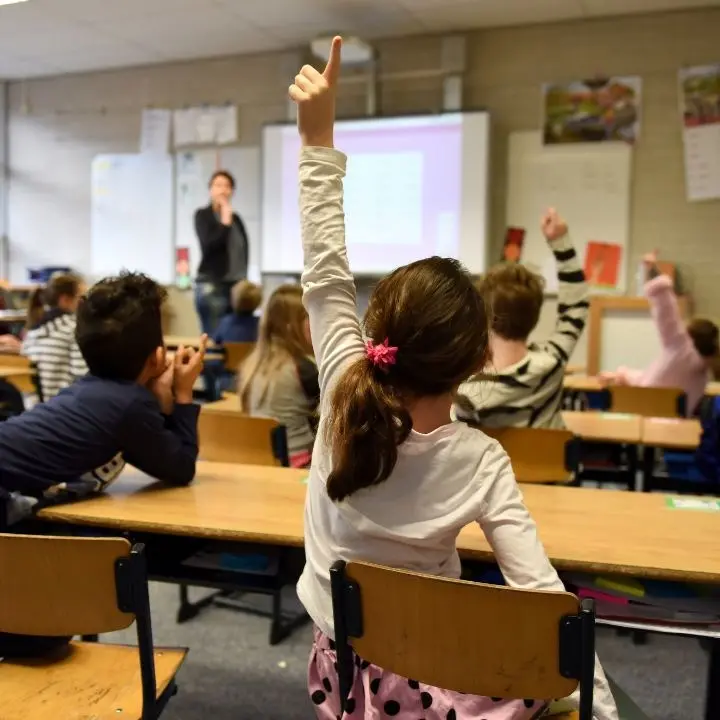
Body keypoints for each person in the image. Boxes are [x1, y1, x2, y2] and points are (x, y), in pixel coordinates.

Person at [288, 38, 618, 720]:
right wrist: (600, 707)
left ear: (376, 331)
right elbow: (542, 594)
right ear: (475, 362)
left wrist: (317, 139)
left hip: (341, 672)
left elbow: (324, 270)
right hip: (438, 674)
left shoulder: (341, 391)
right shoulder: (481, 460)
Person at [454, 209, 588, 429]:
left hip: (494, 465)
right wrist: (560, 241)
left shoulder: (468, 392)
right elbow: (576, 307)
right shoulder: (551, 365)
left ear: (485, 317)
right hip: (547, 464)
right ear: (534, 316)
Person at [599, 251, 718, 416]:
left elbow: (666, 309)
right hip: (678, 432)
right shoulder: (702, 376)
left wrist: (653, 270)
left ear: (690, 337)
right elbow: (653, 382)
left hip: (647, 423)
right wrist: (621, 375)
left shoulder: (681, 349)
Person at [238, 284, 318, 468]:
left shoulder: (252, 364)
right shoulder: (302, 368)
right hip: (299, 466)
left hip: (260, 462)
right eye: (310, 317)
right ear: (292, 326)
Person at [194, 170, 250, 336]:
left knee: (232, 338)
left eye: (227, 186)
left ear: (232, 191)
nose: (223, 190)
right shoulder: (203, 215)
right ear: (210, 190)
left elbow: (242, 250)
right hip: (212, 285)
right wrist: (225, 222)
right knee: (215, 339)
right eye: (218, 185)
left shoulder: (237, 219)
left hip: (235, 286)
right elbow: (209, 244)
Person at [22, 273, 88, 399]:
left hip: (36, 412)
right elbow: (83, 379)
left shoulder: (31, 333)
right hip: (65, 411)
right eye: (82, 298)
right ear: (65, 300)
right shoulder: (74, 329)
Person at [213, 279, 262, 344]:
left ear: (233, 300)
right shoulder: (262, 325)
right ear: (258, 302)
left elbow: (215, 341)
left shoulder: (225, 323)